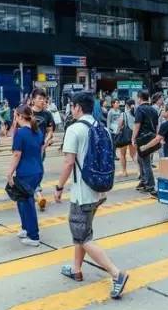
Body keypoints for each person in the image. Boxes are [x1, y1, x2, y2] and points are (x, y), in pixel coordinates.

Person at [54, 91, 129, 299]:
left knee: (83, 236)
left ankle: (117, 274)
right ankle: (76, 269)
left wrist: (59, 187)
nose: (71, 109)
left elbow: (69, 162)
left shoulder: (74, 129)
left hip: (82, 193)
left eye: (72, 105)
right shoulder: (100, 126)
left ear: (77, 107)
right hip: (99, 189)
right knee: (83, 231)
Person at [6, 105, 44, 247]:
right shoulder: (37, 131)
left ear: (21, 116)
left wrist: (9, 172)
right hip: (37, 169)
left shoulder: (21, 133)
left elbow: (17, 154)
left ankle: (33, 236)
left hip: (26, 172)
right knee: (21, 200)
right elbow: (40, 149)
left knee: (27, 202)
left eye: (15, 116)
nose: (14, 118)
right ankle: (25, 228)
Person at [31, 88, 56, 212]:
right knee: (34, 171)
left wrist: (45, 143)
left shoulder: (47, 114)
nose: (42, 101)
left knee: (37, 171)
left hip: (41, 148)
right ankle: (38, 194)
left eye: (44, 99)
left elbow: (50, 131)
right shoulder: (27, 112)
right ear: (33, 100)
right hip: (28, 148)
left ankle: (35, 192)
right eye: (39, 98)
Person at [132, 90, 159, 194]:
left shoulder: (140, 109)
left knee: (145, 161)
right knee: (140, 159)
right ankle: (144, 181)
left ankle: (150, 184)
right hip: (151, 137)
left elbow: (137, 125)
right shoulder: (153, 109)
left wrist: (133, 138)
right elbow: (156, 126)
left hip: (142, 139)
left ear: (139, 98)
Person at [116, 100, 137, 177]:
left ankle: (124, 172)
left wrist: (117, 133)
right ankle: (140, 170)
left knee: (122, 154)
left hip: (125, 136)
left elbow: (119, 125)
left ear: (127, 106)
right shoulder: (136, 113)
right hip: (133, 136)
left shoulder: (123, 114)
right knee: (133, 154)